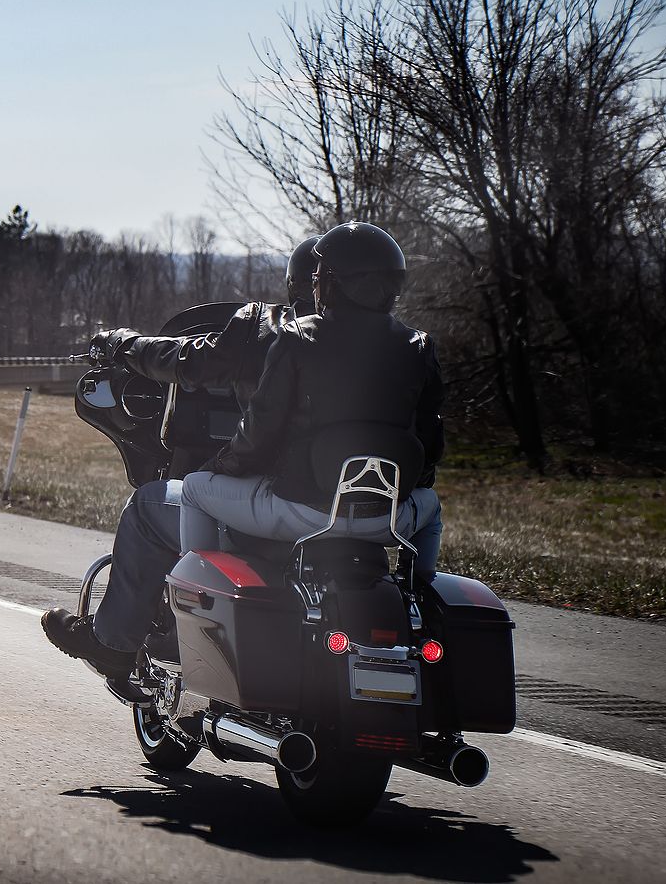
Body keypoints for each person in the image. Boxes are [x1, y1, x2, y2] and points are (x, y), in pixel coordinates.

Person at [44, 221, 444, 680]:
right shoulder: (416, 345)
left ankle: (158, 629)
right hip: (384, 516)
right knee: (431, 508)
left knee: (171, 496)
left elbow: (244, 416)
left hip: (293, 505)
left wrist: (221, 467)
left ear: (323, 281)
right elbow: (430, 444)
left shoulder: (286, 334)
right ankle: (422, 600)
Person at [41, 237, 322, 678]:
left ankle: (115, 642)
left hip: (278, 503)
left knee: (152, 503)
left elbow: (187, 360)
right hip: (371, 513)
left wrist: (122, 344)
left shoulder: (270, 331)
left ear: (300, 282)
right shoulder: (401, 346)